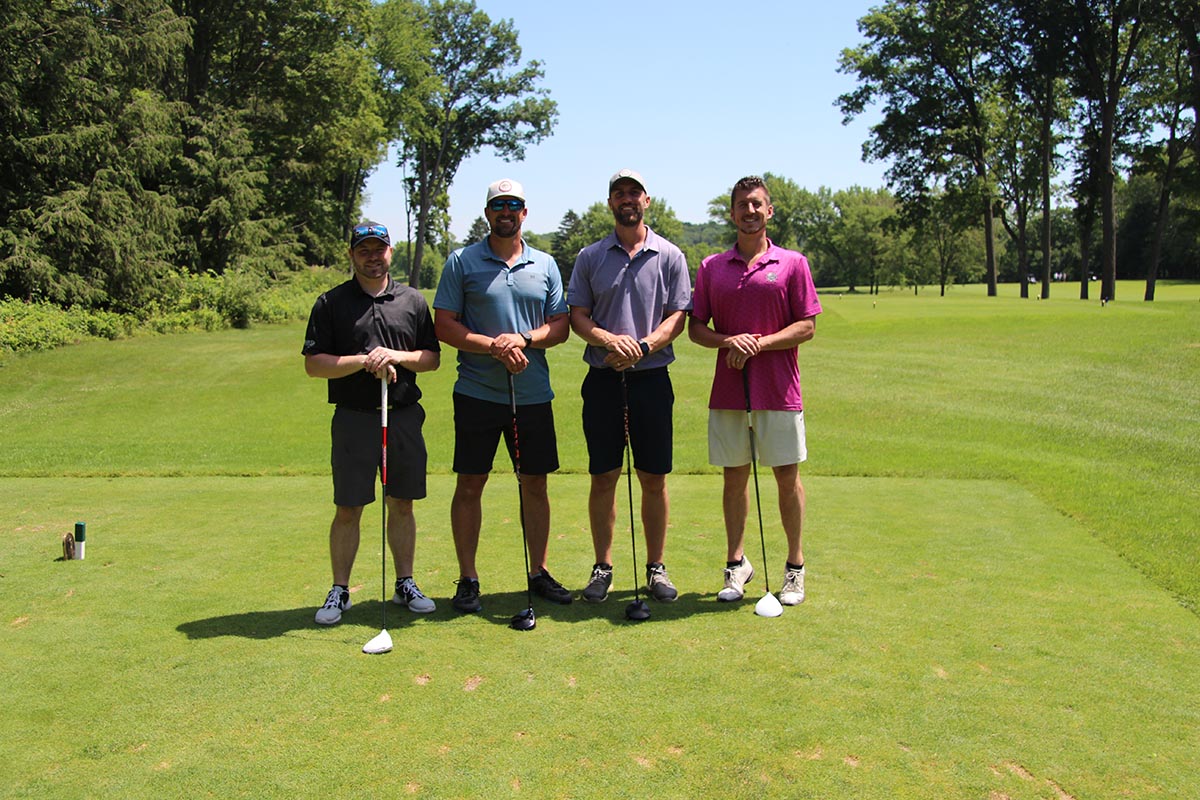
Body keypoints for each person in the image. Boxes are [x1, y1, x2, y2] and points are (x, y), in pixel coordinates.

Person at [433, 178, 573, 613]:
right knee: (470, 483)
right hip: (476, 392)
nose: (506, 212)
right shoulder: (462, 261)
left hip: (532, 394)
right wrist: (492, 345)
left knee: (535, 484)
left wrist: (523, 340)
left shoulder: (545, 264)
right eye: (498, 205)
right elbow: (445, 324)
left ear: (525, 213)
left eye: (514, 205)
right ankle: (468, 578)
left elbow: (560, 326)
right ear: (487, 213)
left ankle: (538, 572)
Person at [688, 176, 822, 606]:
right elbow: (696, 329)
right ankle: (736, 564)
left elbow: (807, 325)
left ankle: (795, 568)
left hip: (779, 390)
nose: (749, 211)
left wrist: (759, 342)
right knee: (734, 478)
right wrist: (729, 341)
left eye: (756, 204)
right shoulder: (711, 267)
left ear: (770, 211)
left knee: (787, 477)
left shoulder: (793, 263)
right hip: (729, 389)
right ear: (732, 213)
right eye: (742, 205)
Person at [302, 221, 441, 625]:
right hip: (354, 420)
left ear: (390, 252)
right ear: (352, 255)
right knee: (348, 507)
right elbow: (315, 365)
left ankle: (405, 582)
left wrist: (395, 357)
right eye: (364, 249)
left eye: (379, 249)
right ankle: (340, 589)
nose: (372, 256)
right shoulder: (331, 303)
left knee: (402, 503)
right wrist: (365, 361)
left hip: (402, 417)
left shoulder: (413, 301)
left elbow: (430, 358)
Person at [567, 169, 692, 604]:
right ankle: (603, 566)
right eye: (619, 194)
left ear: (647, 200)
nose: (627, 200)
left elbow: (678, 316)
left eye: (633, 193)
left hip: (651, 380)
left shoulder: (670, 255)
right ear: (610, 203)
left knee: (653, 477)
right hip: (602, 377)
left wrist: (641, 346)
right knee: (604, 476)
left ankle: (656, 566)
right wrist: (609, 341)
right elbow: (578, 315)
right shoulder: (590, 256)